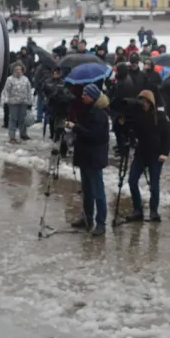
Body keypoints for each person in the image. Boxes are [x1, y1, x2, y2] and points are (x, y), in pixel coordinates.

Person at [67, 84, 110, 236]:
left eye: (85, 94)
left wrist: (75, 128)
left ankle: (101, 223)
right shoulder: (87, 110)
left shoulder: (99, 114)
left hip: (94, 158)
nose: (82, 96)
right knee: (87, 191)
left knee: (98, 192)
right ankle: (87, 218)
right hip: (85, 156)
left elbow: (95, 136)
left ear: (92, 97)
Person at [126, 90, 170, 223]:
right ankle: (137, 210)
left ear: (151, 103)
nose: (143, 104)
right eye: (141, 101)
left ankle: (153, 211)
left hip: (156, 156)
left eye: (145, 101)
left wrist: (165, 153)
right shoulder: (137, 116)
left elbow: (167, 136)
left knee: (154, 185)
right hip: (141, 154)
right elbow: (131, 133)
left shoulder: (161, 117)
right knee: (132, 181)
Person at [2, 63, 32, 143]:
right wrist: (6, 100)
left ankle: (23, 134)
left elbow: (29, 90)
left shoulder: (25, 79)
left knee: (22, 119)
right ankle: (12, 136)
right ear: (13, 70)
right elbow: (6, 91)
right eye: (17, 69)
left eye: (20, 69)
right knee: (13, 119)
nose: (18, 71)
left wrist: (29, 101)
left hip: (23, 102)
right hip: (13, 103)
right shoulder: (9, 79)